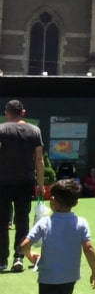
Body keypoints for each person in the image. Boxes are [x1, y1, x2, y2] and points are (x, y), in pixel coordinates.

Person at [0, 100, 45, 274]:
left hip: (3, 182)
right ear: (23, 112)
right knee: (22, 220)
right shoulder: (34, 130)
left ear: (7, 112)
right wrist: (41, 184)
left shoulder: (2, 129)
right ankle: (18, 257)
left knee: (2, 221)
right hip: (26, 182)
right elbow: (39, 160)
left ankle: (2, 260)